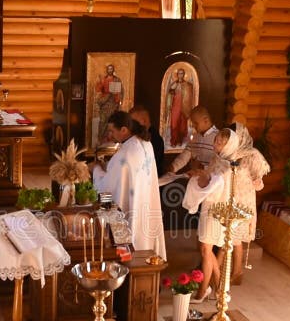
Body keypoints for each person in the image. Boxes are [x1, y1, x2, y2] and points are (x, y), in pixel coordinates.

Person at [183, 124, 270, 302]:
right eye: (216, 140)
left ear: (230, 144)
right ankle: (217, 288)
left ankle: (206, 290)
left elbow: (217, 181)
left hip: (219, 210)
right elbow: (209, 175)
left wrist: (203, 175)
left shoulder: (232, 164)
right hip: (209, 207)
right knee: (205, 249)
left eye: (220, 142)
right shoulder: (218, 158)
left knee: (208, 250)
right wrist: (200, 173)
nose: (215, 144)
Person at [92, 111, 166, 260]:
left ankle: (128, 266)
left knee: (130, 237)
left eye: (112, 131)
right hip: (145, 202)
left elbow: (106, 187)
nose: (111, 135)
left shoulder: (126, 152)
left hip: (132, 207)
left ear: (124, 130)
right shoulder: (146, 144)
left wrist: (96, 169)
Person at [166, 105, 218, 175]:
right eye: (192, 123)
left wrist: (203, 167)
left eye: (196, 123)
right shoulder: (195, 137)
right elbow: (185, 155)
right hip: (194, 181)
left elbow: (221, 164)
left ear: (206, 120)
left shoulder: (218, 138)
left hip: (211, 182)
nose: (193, 126)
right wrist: (173, 167)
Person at [129, 105, 165, 177]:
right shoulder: (139, 137)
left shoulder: (154, 139)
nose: (130, 125)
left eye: (133, 122)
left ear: (143, 121)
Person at [93, 64, 123, 146]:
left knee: (111, 122)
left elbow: (121, 92)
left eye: (111, 69)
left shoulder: (117, 80)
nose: (110, 70)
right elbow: (98, 90)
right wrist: (100, 82)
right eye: (108, 69)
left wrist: (117, 97)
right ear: (106, 70)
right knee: (103, 121)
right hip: (105, 103)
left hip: (113, 103)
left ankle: (111, 139)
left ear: (113, 70)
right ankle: (101, 139)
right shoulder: (103, 79)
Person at [165, 68, 194, 147]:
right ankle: (173, 141)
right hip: (175, 106)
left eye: (182, 73)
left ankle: (180, 140)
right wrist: (169, 105)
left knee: (182, 125)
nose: (180, 75)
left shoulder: (187, 85)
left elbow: (190, 97)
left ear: (184, 75)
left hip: (184, 107)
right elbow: (170, 95)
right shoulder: (174, 84)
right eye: (179, 73)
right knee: (174, 124)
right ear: (177, 75)